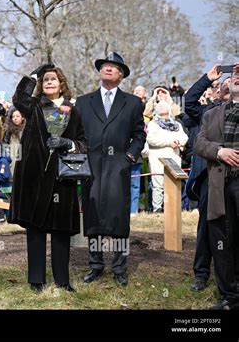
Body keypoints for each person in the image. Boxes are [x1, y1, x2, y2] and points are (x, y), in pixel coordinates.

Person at [9, 63, 88, 292]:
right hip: (34, 177)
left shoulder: (73, 110)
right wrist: (33, 75)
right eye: (45, 80)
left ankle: (62, 281)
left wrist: (68, 143)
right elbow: (18, 97)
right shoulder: (33, 106)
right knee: (35, 229)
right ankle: (36, 280)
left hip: (62, 177)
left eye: (53, 79)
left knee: (61, 230)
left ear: (61, 83)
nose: (49, 82)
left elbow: (83, 141)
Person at [75, 52, 146, 286]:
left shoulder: (133, 103)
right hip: (91, 167)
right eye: (104, 65)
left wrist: (129, 156)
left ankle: (119, 267)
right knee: (93, 215)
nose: (108, 69)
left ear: (121, 75)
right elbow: (76, 134)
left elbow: (138, 135)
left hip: (119, 167)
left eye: (114, 67)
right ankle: (95, 265)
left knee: (118, 217)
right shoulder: (84, 102)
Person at [194, 64, 239, 310]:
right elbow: (199, 143)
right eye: (235, 76)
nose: (237, 78)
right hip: (220, 185)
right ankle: (229, 296)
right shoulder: (212, 114)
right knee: (222, 239)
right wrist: (219, 151)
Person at [184, 64, 228, 291]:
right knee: (206, 227)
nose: (225, 87)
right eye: (221, 86)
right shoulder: (206, 112)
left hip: (234, 179)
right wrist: (207, 79)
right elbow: (189, 101)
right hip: (208, 178)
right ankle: (201, 274)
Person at [146, 101, 189, 212]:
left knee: (173, 184)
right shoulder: (153, 124)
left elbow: (184, 137)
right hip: (158, 158)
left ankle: (172, 209)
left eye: (164, 105)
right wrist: (169, 142)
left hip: (174, 157)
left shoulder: (177, 124)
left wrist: (178, 142)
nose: (161, 107)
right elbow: (151, 139)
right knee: (158, 185)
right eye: (159, 106)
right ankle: (157, 209)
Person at [131, 86, 147, 215]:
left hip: (136, 157)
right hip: (121, 156)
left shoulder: (140, 120)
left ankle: (134, 211)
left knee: (135, 186)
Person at [3, 107, 26, 181]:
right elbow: (5, 144)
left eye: (17, 116)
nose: (15, 118)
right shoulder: (9, 131)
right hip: (13, 158)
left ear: (22, 118)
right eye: (13, 117)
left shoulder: (28, 130)